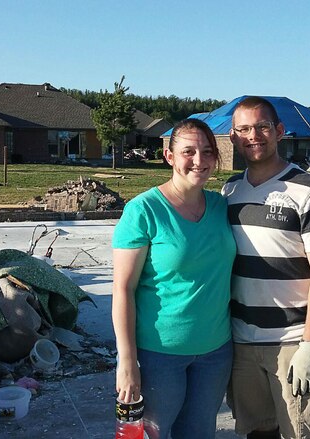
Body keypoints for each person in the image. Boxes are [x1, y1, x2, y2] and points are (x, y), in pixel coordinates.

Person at [221, 97, 310, 439]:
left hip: (292, 341)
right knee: (257, 431)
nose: (254, 136)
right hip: (243, 340)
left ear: (279, 131)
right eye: (244, 129)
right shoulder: (230, 189)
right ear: (233, 137)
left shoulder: (309, 190)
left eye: (262, 127)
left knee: (301, 433)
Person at [111, 118, 236, 438]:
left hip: (216, 351)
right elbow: (123, 289)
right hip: (159, 354)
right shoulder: (144, 211)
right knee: (150, 433)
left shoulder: (222, 206)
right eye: (188, 151)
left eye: (207, 152)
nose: (199, 160)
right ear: (169, 156)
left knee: (199, 432)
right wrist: (127, 361)